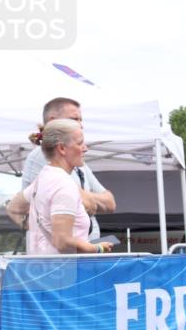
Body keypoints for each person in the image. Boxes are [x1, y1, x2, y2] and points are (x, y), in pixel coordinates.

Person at [6, 119, 113, 255]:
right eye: (80, 143)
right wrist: (98, 248)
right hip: (63, 267)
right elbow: (62, 241)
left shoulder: (42, 178)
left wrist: (38, 230)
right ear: (62, 148)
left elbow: (13, 208)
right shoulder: (64, 185)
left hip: (41, 264)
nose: (85, 148)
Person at [20, 97, 116, 240]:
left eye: (80, 120)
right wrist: (88, 200)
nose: (80, 125)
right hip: (63, 249)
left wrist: (83, 198)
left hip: (84, 246)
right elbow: (82, 203)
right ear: (52, 121)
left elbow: (110, 203)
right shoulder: (42, 156)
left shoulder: (76, 160)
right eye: (74, 119)